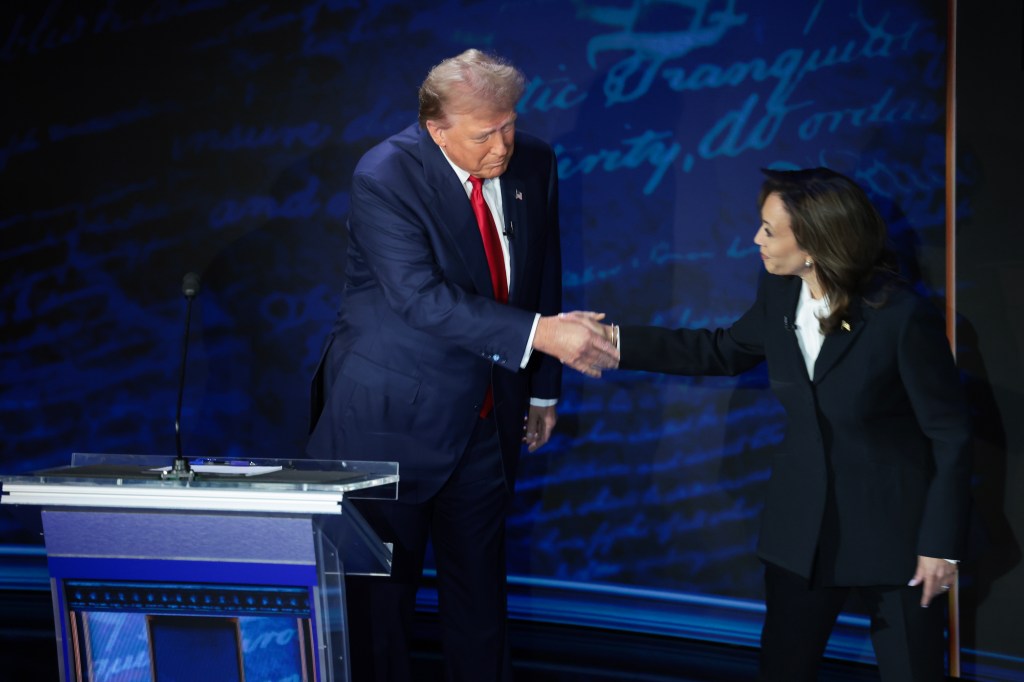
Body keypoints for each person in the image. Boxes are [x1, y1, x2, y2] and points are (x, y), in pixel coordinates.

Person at [585, 167, 971, 681]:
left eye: (770, 230)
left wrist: (939, 543)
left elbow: (949, 433)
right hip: (801, 534)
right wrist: (613, 343)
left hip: (895, 538)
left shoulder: (900, 316)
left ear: (814, 241)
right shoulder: (779, 294)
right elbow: (719, 351)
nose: (755, 239)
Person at [306, 49, 618, 682]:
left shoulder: (533, 158)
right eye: (484, 134)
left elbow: (541, 270)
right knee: (379, 611)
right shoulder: (386, 175)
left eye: (507, 124)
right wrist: (545, 337)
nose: (502, 145)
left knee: (480, 603)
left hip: (485, 418)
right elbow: (419, 298)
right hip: (389, 425)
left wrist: (540, 392)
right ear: (434, 127)